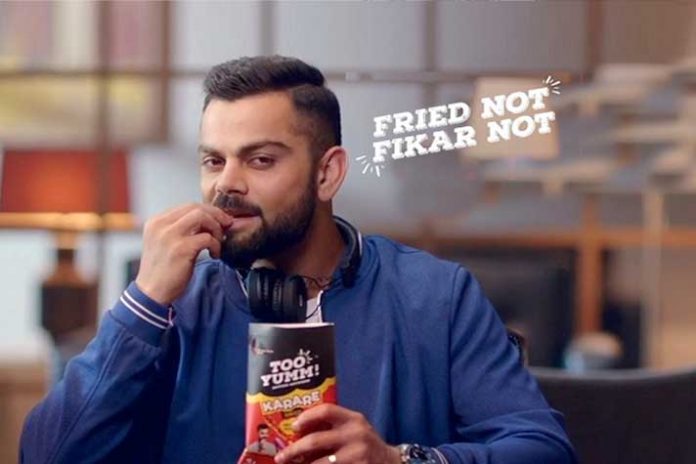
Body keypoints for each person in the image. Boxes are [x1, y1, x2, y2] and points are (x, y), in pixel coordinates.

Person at [20, 55, 576, 464]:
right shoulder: (174, 303)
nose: (227, 184)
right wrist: (143, 304)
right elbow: (47, 456)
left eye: (260, 160)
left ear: (327, 173)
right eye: (213, 161)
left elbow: (544, 451)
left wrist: (398, 459)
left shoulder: (436, 295)